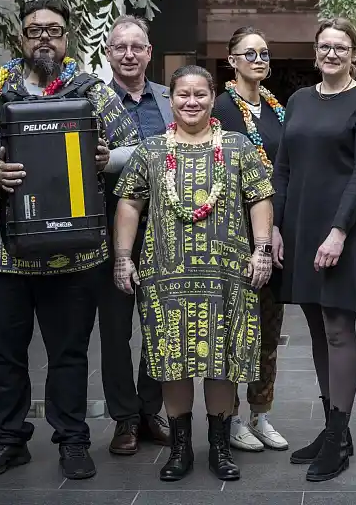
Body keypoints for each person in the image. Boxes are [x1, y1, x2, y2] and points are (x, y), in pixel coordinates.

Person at [0, 0, 139, 480]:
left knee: (69, 354)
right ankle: (9, 440)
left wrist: (103, 160)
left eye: (53, 29)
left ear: (67, 36)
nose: (44, 37)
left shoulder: (91, 88)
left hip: (74, 257)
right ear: (21, 38)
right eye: (35, 30)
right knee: (4, 353)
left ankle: (73, 440)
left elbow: (134, 146)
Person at [113, 65, 275, 483]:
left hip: (227, 274)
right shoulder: (150, 151)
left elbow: (259, 198)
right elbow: (129, 204)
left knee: (221, 361)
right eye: (183, 94)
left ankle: (219, 445)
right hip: (165, 274)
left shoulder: (237, 146)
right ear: (171, 99)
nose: (191, 102)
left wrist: (261, 250)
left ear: (211, 97)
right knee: (173, 360)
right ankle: (181, 446)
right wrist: (122, 257)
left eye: (200, 94)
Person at [272, 17, 356, 482]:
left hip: (344, 229)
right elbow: (282, 168)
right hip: (299, 226)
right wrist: (275, 228)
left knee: (339, 328)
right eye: (325, 46)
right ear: (315, 52)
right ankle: (332, 423)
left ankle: (339, 436)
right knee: (316, 329)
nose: (332, 53)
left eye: (341, 47)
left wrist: (339, 231)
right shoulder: (299, 100)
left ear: (353, 53)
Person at [212, 26, 289, 453]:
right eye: (249, 53)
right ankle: (232, 418)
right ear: (232, 59)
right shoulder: (221, 108)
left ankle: (262, 413)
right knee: (233, 330)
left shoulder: (276, 110)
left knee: (268, 328)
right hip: (234, 236)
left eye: (263, 52)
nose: (258, 59)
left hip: (274, 234)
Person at [100, 14, 172, 456]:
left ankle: (151, 409)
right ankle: (123, 417)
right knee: (113, 329)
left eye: (137, 46)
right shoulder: (92, 100)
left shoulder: (170, 98)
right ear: (108, 53)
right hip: (108, 231)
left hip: (165, 231)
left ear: (149, 53)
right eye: (119, 47)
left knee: (159, 326)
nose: (128, 54)